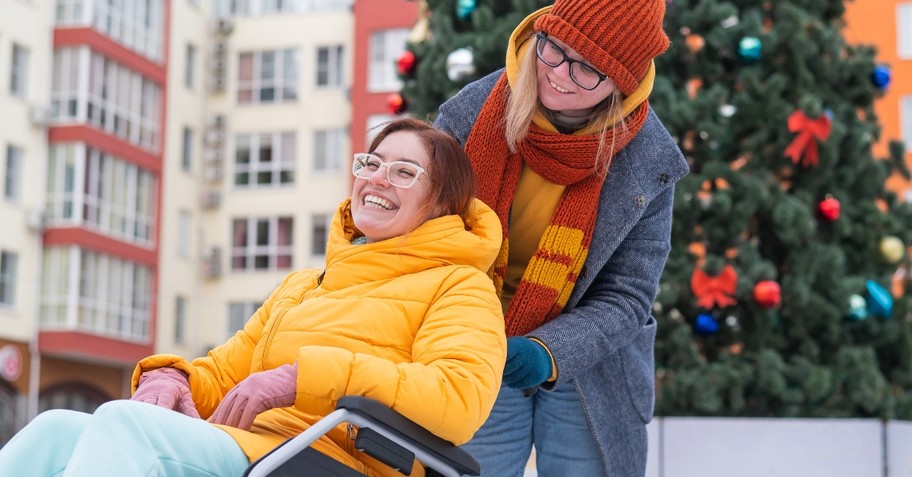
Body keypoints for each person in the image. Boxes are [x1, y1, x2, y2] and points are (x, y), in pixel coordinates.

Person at [0, 118, 507, 477]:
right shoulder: (306, 285)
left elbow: (458, 398)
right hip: (256, 446)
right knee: (55, 429)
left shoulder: (458, 286)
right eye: (371, 162)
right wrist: (171, 375)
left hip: (332, 459)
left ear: (441, 202)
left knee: (124, 426)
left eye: (404, 171)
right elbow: (226, 374)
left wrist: (301, 378)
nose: (376, 177)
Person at [433, 0, 689, 476]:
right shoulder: (470, 114)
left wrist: (548, 351)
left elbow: (627, 297)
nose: (561, 75)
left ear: (624, 85)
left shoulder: (648, 159)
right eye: (554, 50)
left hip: (588, 360)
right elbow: (424, 230)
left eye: (588, 70)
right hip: (475, 342)